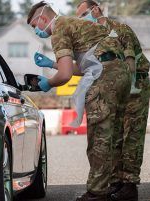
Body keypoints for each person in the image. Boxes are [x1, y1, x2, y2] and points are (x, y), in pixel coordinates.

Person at [27, 2, 131, 201]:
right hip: (120, 73)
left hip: (105, 78)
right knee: (115, 135)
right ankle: (120, 187)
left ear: (42, 19)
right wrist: (51, 64)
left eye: (34, 26)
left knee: (99, 137)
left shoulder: (59, 28)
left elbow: (65, 75)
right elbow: (85, 66)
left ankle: (97, 192)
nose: (36, 31)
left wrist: (47, 83)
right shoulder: (74, 23)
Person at [76, 1, 150, 200]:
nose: (82, 21)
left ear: (95, 9)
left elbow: (130, 63)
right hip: (114, 88)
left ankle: (130, 184)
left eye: (83, 15)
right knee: (115, 134)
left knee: (131, 135)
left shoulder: (119, 29)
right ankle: (116, 181)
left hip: (136, 85)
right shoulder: (92, 38)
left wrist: (126, 84)